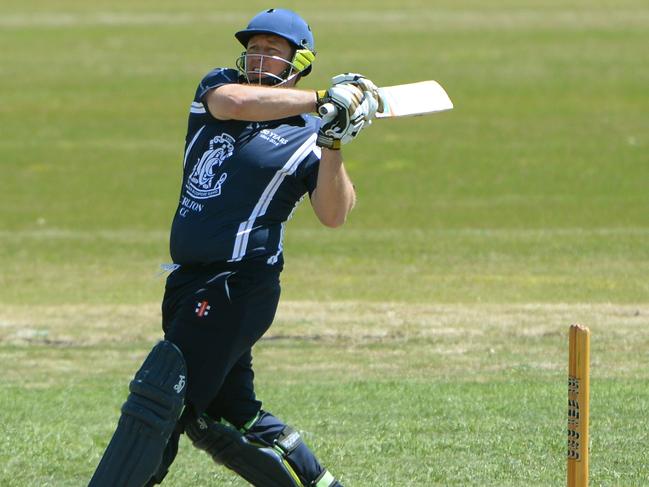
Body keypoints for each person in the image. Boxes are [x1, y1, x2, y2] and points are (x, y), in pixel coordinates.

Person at [89, 8, 381, 487]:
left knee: (161, 398)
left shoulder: (309, 136)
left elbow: (335, 213)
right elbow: (236, 103)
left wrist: (332, 142)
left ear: (298, 60)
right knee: (226, 415)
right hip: (188, 280)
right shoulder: (219, 89)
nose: (259, 56)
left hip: (238, 284)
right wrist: (323, 98)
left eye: (273, 50)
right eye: (254, 47)